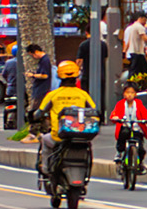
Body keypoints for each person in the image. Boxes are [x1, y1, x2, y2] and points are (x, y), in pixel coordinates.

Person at [33, 60, 98, 193]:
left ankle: (46, 168)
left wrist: (32, 117)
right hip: (81, 135)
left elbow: (39, 113)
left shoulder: (53, 95)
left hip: (58, 136)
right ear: (76, 77)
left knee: (45, 140)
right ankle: (85, 179)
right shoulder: (82, 94)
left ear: (59, 76)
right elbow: (95, 111)